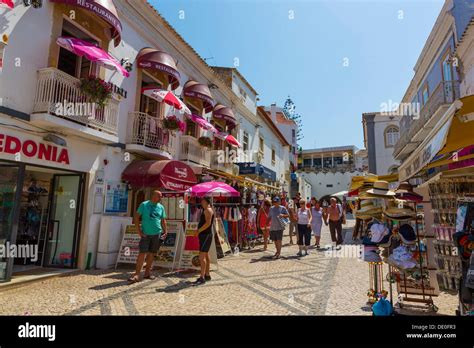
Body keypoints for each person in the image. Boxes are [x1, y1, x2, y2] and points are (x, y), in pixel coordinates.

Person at [129, 190, 167, 283]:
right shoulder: (144, 205)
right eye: (159, 196)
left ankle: (147, 273)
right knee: (142, 253)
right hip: (145, 234)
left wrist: (166, 231)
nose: (160, 198)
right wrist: (139, 231)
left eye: (161, 196)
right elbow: (136, 217)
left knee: (152, 254)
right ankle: (137, 274)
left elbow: (163, 220)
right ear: (154, 196)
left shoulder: (161, 207)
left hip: (157, 233)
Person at [193, 197, 215, 285]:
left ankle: (202, 277)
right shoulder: (207, 210)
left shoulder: (207, 210)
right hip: (205, 235)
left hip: (205, 235)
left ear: (206, 201)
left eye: (202, 201)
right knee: (205, 254)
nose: (201, 202)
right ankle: (207, 274)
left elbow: (208, 223)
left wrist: (198, 230)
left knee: (201, 257)